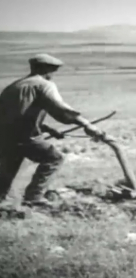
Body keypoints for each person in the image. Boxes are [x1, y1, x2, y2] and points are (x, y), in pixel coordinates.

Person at [0, 53, 105, 207]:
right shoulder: (43, 85)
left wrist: (48, 129)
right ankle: (34, 197)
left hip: (6, 137)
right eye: (53, 70)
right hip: (27, 137)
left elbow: (15, 115)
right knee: (54, 159)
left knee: (8, 170)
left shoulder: (14, 86)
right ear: (46, 69)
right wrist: (87, 125)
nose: (53, 74)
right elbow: (60, 108)